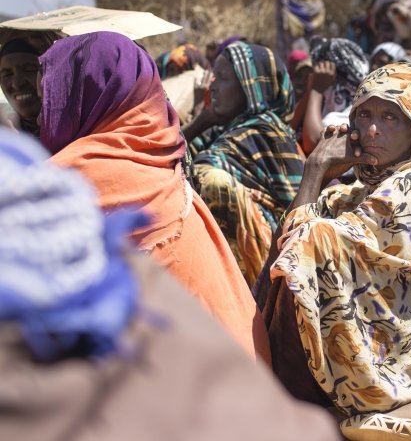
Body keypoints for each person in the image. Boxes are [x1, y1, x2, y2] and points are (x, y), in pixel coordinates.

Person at [0, 128, 337, 441]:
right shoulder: (120, 268)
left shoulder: (124, 267)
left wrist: (315, 176)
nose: (211, 90)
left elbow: (288, 248)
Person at [258, 63, 411, 432]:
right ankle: (280, 389)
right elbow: (283, 241)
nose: (372, 130)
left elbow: (304, 244)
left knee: (312, 243)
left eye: (392, 117)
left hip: (394, 346)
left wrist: (314, 168)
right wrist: (322, 171)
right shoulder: (354, 191)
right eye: (364, 115)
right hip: (365, 328)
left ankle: (297, 400)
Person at [37, 32, 268, 361]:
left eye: (51, 96)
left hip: (181, 394)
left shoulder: (73, 177)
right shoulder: (157, 156)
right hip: (245, 375)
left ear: (78, 97)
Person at [183, 41, 305, 285]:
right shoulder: (220, 130)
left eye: (224, 78)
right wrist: (200, 121)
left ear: (251, 87)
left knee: (211, 181)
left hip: (268, 258)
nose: (212, 85)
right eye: (214, 76)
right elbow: (171, 158)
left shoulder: (266, 131)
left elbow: (193, 174)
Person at [301, 37, 369, 154]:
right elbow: (289, 129)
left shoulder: (356, 112)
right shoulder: (326, 107)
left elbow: (313, 144)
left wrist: (317, 89)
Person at [0, 32, 59, 136]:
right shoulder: (5, 136)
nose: (17, 84)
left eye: (29, 70)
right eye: (7, 74)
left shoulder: (83, 131)